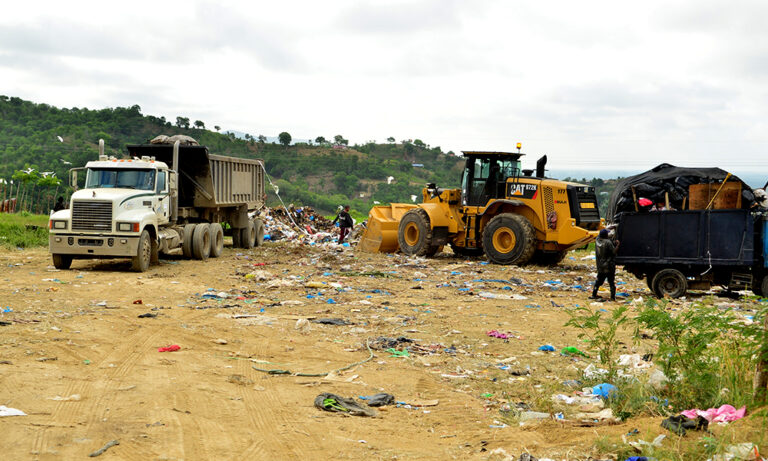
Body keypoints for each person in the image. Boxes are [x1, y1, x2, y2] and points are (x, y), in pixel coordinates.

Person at [591, 228, 618, 301]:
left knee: (598, 281)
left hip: (600, 266)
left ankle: (594, 294)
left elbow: (599, 236)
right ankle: (612, 297)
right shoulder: (608, 242)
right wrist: (617, 245)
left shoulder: (597, 241)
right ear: (606, 235)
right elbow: (613, 252)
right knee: (611, 282)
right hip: (609, 266)